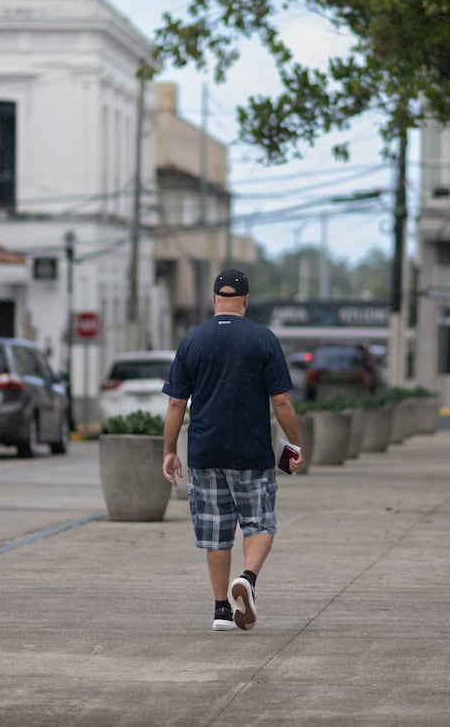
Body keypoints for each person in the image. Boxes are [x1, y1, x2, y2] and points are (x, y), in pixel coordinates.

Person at [162, 268, 304, 632]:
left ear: (213, 300)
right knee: (259, 524)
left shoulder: (192, 340)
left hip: (205, 452)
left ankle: (221, 609)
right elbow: (283, 402)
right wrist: (295, 442)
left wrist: (169, 451)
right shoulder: (263, 339)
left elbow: (176, 404)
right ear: (246, 300)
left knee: (215, 531)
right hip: (251, 452)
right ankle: (248, 579)